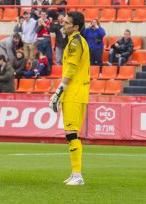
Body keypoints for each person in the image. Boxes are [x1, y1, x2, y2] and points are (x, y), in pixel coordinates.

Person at [49, 11, 90, 186]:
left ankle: (78, 175)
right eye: (63, 22)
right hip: (74, 93)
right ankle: (75, 174)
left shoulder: (75, 42)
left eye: (66, 23)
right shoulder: (75, 41)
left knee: (71, 133)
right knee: (71, 133)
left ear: (76, 27)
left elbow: (71, 71)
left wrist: (58, 91)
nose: (62, 25)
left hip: (74, 93)